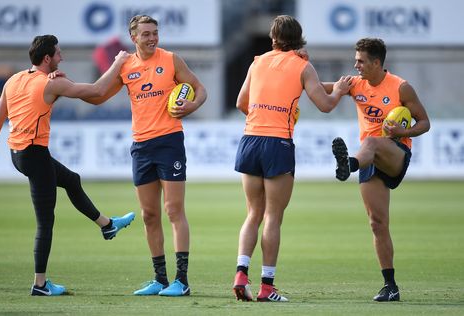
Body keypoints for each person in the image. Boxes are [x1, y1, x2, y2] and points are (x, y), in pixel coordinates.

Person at [0, 35, 135, 296]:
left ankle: (107, 225)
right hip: (34, 155)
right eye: (59, 54)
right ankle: (40, 285)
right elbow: (97, 92)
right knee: (45, 223)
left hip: (17, 153)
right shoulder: (50, 84)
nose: (61, 57)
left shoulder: (15, 80)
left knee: (72, 180)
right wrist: (118, 63)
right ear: (47, 58)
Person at [81, 15, 207, 297]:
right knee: (149, 215)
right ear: (133, 37)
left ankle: (182, 281)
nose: (152, 38)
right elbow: (97, 95)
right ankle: (160, 280)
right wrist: (62, 85)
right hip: (141, 146)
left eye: (155, 33)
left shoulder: (171, 59)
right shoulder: (126, 66)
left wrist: (191, 106)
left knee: (173, 210)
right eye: (146, 34)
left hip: (170, 141)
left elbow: (201, 89)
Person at [232, 15, 352, 302]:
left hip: (249, 139)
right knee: (273, 217)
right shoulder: (303, 65)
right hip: (278, 143)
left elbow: (240, 103)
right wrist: (338, 90)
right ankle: (266, 287)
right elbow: (325, 105)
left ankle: (240, 273)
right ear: (299, 38)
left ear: (273, 38)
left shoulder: (258, 61)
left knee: (253, 214)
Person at [327, 38, 430, 301]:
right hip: (369, 159)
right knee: (377, 223)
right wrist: (302, 69)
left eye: (361, 60)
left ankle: (347, 165)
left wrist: (403, 132)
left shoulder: (401, 87)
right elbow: (318, 88)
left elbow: (425, 122)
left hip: (395, 153)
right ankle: (390, 286)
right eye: (356, 60)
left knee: (371, 141)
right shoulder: (355, 85)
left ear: (376, 62)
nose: (356, 65)